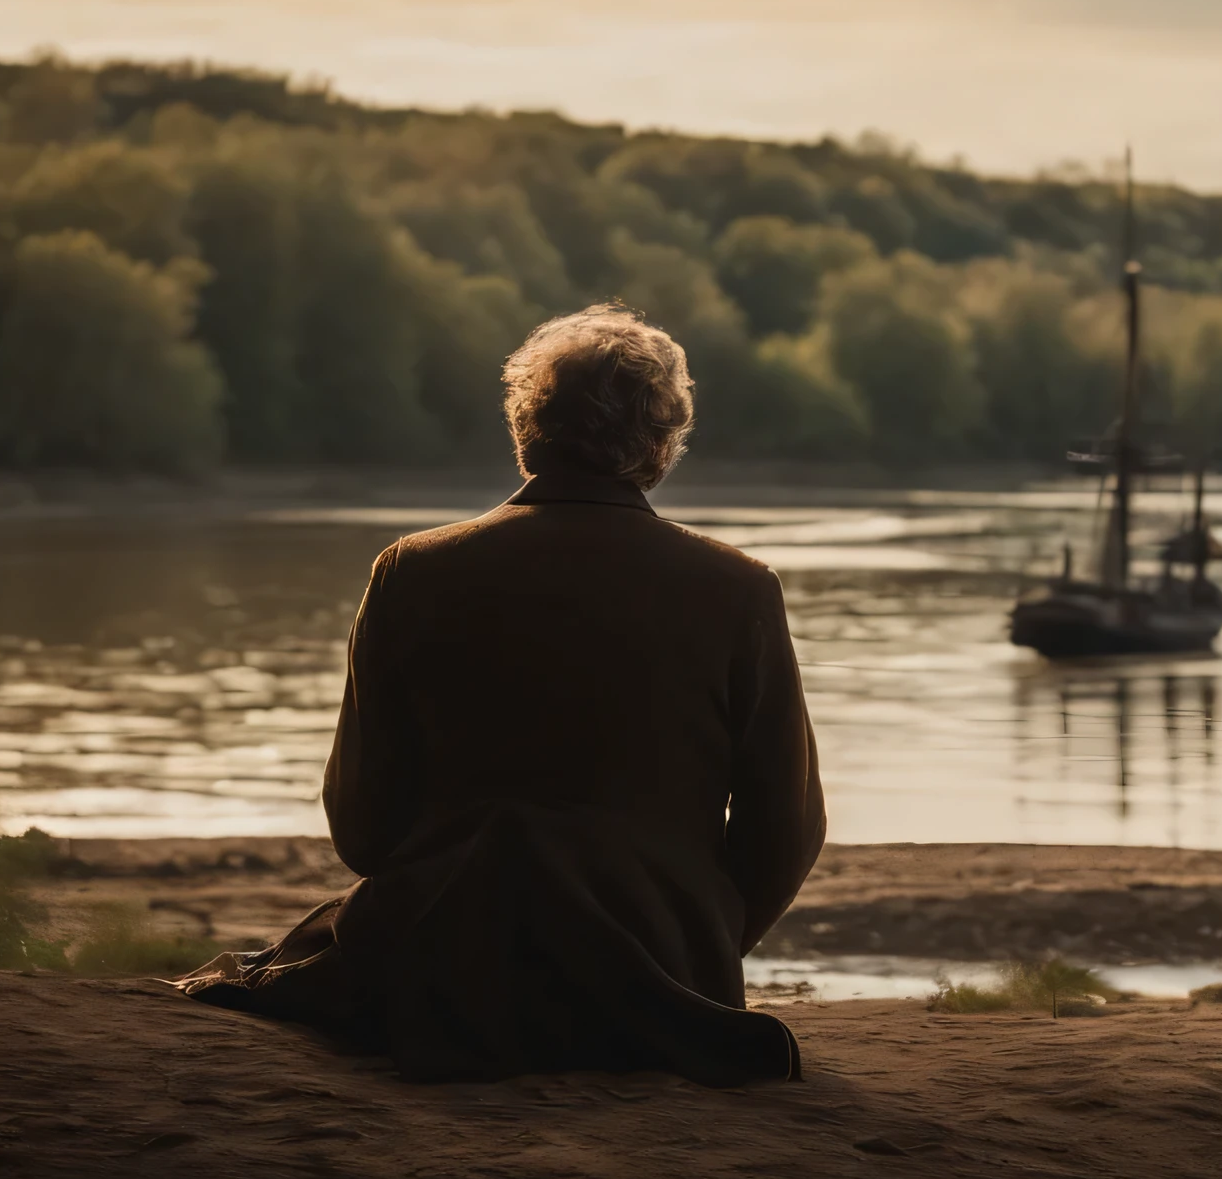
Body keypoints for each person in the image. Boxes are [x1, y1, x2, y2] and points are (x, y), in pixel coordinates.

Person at [174, 305, 827, 1086]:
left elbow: (363, 828)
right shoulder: (739, 589)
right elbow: (787, 826)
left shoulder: (413, 571)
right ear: (659, 444)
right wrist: (693, 940)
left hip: (439, 963)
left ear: (528, 429)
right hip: (665, 970)